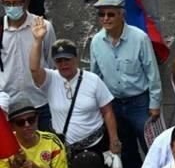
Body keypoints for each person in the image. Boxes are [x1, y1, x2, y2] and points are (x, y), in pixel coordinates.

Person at [89, 0, 161, 168]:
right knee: (127, 151)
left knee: (152, 148)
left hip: (140, 103)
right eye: (101, 14)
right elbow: (96, 76)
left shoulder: (139, 38)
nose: (106, 18)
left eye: (111, 14)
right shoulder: (96, 42)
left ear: (122, 15)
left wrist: (155, 103)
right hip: (115, 105)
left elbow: (152, 72)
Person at [29, 29, 121, 158]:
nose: (64, 64)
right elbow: (34, 69)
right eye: (59, 61)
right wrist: (38, 40)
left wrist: (114, 140)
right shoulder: (50, 79)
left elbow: (108, 111)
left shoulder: (93, 80)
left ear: (75, 58)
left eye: (67, 59)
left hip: (95, 145)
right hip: (64, 150)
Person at [0, 0, 56, 129]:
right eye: (8, 3)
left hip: (40, 101)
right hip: (8, 105)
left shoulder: (44, 27)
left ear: (26, 2)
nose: (12, 7)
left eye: (16, 3)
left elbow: (51, 61)